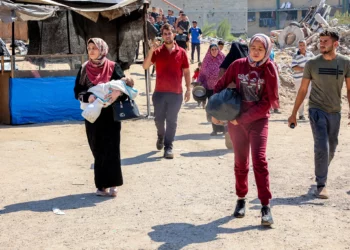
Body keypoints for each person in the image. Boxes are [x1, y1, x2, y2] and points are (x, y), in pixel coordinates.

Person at [213, 34, 279, 226]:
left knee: (259, 161)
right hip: (236, 123)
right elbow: (219, 86)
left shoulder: (269, 68)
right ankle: (241, 200)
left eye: (260, 48)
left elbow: (268, 103)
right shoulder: (238, 65)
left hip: (257, 122)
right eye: (253, 47)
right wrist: (217, 111)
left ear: (266, 50)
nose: (256, 51)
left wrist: (241, 119)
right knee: (241, 163)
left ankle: (265, 206)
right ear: (248, 48)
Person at [288, 29, 350, 199]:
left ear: (335, 44)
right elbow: (302, 90)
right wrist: (294, 113)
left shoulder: (345, 63)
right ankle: (321, 184)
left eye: (325, 41)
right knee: (322, 145)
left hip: (335, 111)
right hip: (316, 109)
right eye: (320, 41)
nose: (321, 44)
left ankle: (322, 168)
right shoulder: (312, 64)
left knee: (332, 147)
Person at [74, 38, 133, 197]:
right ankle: (101, 185)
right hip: (93, 114)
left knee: (112, 148)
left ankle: (113, 183)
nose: (92, 51)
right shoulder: (84, 68)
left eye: (95, 48)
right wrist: (87, 98)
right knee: (97, 148)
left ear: (102, 49)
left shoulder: (113, 67)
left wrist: (117, 94)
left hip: (110, 114)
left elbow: (125, 87)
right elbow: (77, 90)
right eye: (89, 48)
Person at [143, 24, 191, 159]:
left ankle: (168, 147)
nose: (167, 36)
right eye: (164, 34)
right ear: (162, 36)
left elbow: (186, 72)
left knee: (172, 120)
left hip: (176, 93)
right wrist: (151, 50)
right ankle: (161, 136)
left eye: (169, 33)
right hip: (159, 93)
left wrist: (188, 89)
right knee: (158, 119)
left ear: (173, 34)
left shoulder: (181, 52)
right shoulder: (157, 52)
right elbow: (145, 66)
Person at [198, 44, 226, 135]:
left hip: (221, 88)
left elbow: (228, 70)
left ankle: (224, 128)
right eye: (212, 49)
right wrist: (199, 82)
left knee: (222, 108)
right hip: (209, 88)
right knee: (213, 109)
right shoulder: (206, 60)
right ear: (209, 51)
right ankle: (215, 129)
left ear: (218, 50)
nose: (214, 51)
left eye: (215, 49)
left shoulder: (223, 59)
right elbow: (202, 73)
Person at [291, 40, 314, 120]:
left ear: (306, 45)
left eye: (303, 45)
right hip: (299, 79)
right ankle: (301, 114)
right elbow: (294, 67)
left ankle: (310, 113)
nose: (302, 46)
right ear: (298, 46)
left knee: (312, 96)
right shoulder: (295, 56)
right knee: (300, 96)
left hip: (309, 79)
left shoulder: (310, 54)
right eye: (300, 45)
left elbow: (314, 63)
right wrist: (304, 69)